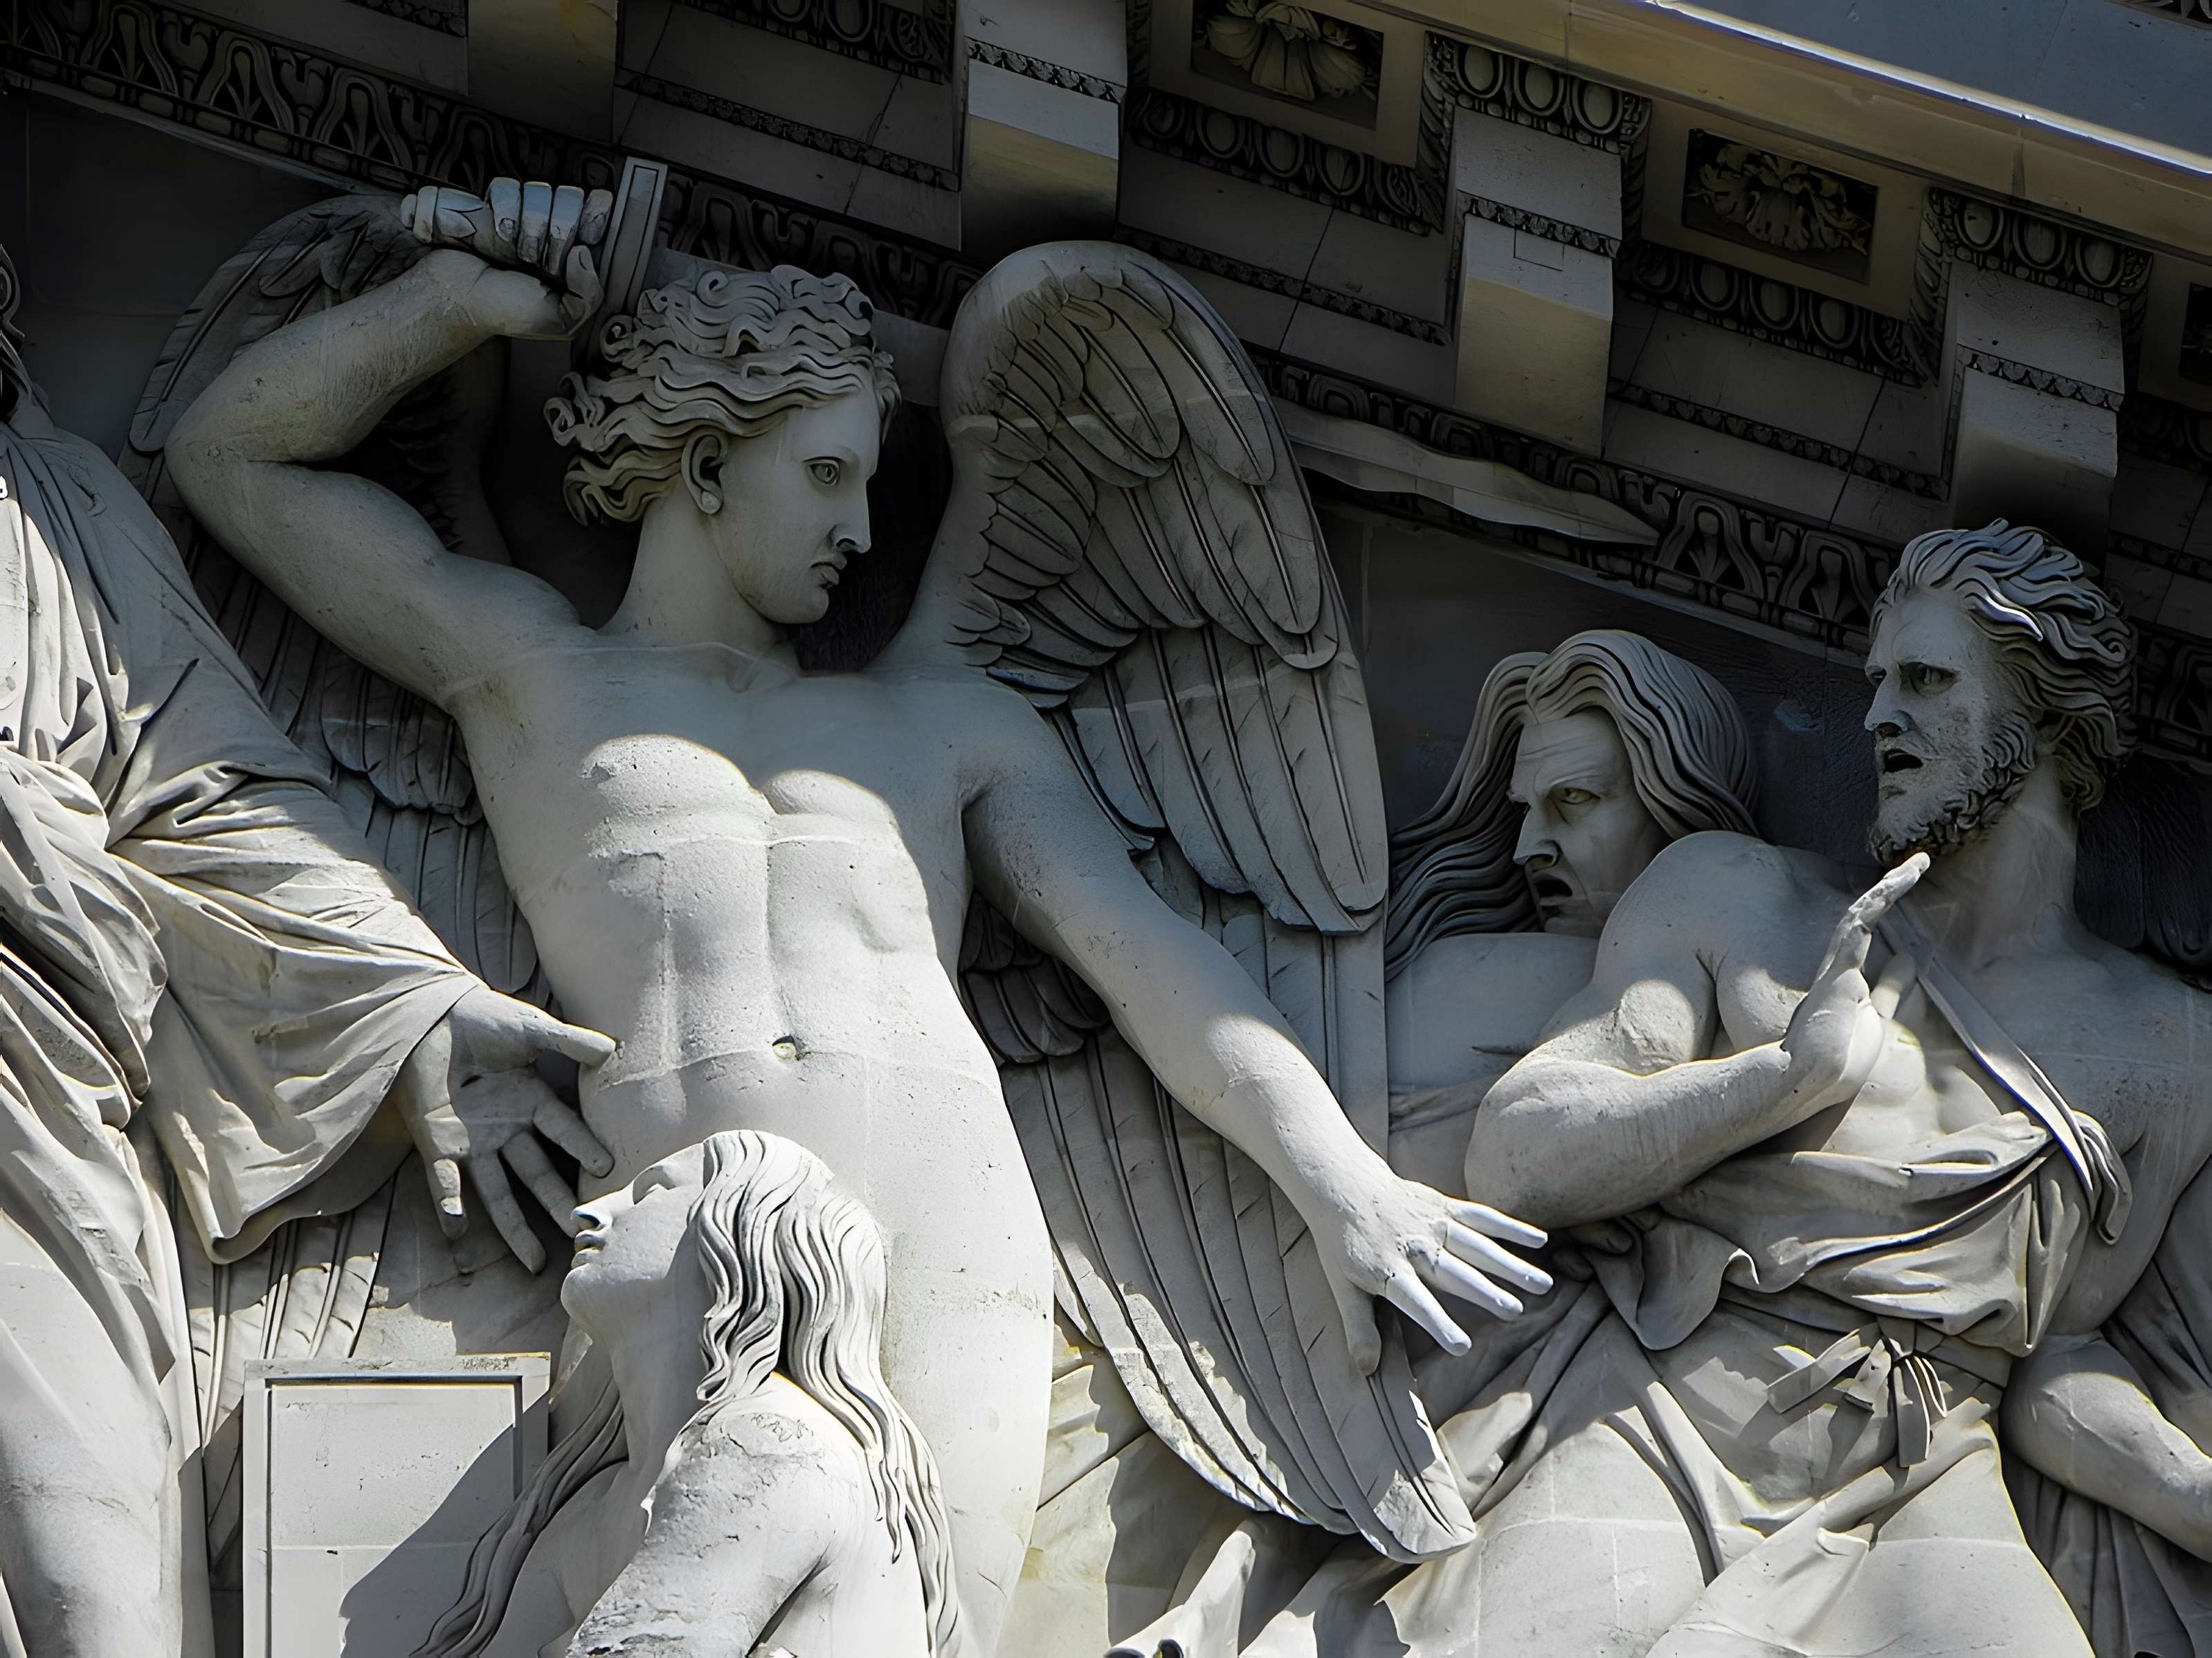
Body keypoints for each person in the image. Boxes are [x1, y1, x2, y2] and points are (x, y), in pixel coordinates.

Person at [162, 191, 1549, 1650]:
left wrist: (1344, 1187)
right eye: (824, 475)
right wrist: (464, 303)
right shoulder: (526, 669)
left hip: (945, 1224)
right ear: (702, 464)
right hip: (681, 1250)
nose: (862, 526)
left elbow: (1161, 968)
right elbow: (228, 454)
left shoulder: (941, 717)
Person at [1224, 522, 2211, 1656]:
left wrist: (2183, 1489)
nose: (1880, 715)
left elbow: (2063, 1356)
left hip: (1929, 1481)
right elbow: (1522, 1147)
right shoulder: (1738, 901)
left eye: (1928, 681)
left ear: (2050, 718)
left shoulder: (2174, 1048)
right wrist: (1781, 1078)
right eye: (1877, 681)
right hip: (1671, 1426)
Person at [0, 241, 613, 1657]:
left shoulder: (57, 505)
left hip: (29, 1092)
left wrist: (413, 1010)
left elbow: (203, 791)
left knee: (95, 1573)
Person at [417, 1130, 954, 1657]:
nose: (591, 1212)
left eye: (651, 1191)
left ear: (745, 1228)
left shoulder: (775, 1445)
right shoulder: (594, 1508)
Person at [1379, 630, 1757, 1194]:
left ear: (1677, 803)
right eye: (1525, 809)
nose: (1527, 847)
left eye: (1574, 799)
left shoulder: (1753, 988)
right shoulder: (1436, 968)